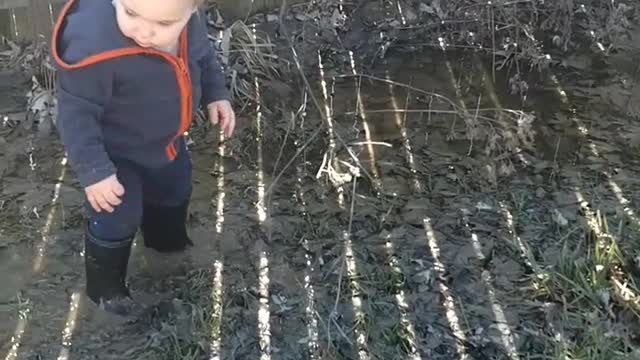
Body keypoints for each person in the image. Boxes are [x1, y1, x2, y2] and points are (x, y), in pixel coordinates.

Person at [51, 0, 235, 316]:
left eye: (163, 25)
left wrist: (217, 93)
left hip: (167, 142)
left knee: (174, 193)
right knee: (116, 215)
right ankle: (106, 292)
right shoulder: (95, 46)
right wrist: (95, 171)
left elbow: (203, 58)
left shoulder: (188, 22)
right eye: (131, 13)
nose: (144, 31)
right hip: (115, 156)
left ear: (192, 11)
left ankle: (167, 251)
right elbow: (76, 114)